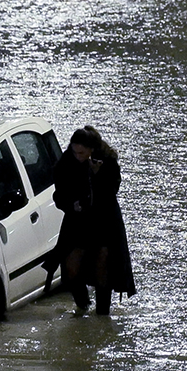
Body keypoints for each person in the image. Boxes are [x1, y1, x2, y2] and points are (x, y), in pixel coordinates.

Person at [46, 126, 136, 315]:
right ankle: (82, 305)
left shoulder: (107, 161)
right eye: (75, 151)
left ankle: (102, 313)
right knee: (71, 266)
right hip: (77, 221)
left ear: (91, 149)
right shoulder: (66, 163)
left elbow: (112, 191)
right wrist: (72, 205)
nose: (78, 156)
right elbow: (59, 194)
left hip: (104, 220)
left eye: (82, 152)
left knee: (103, 264)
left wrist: (97, 175)